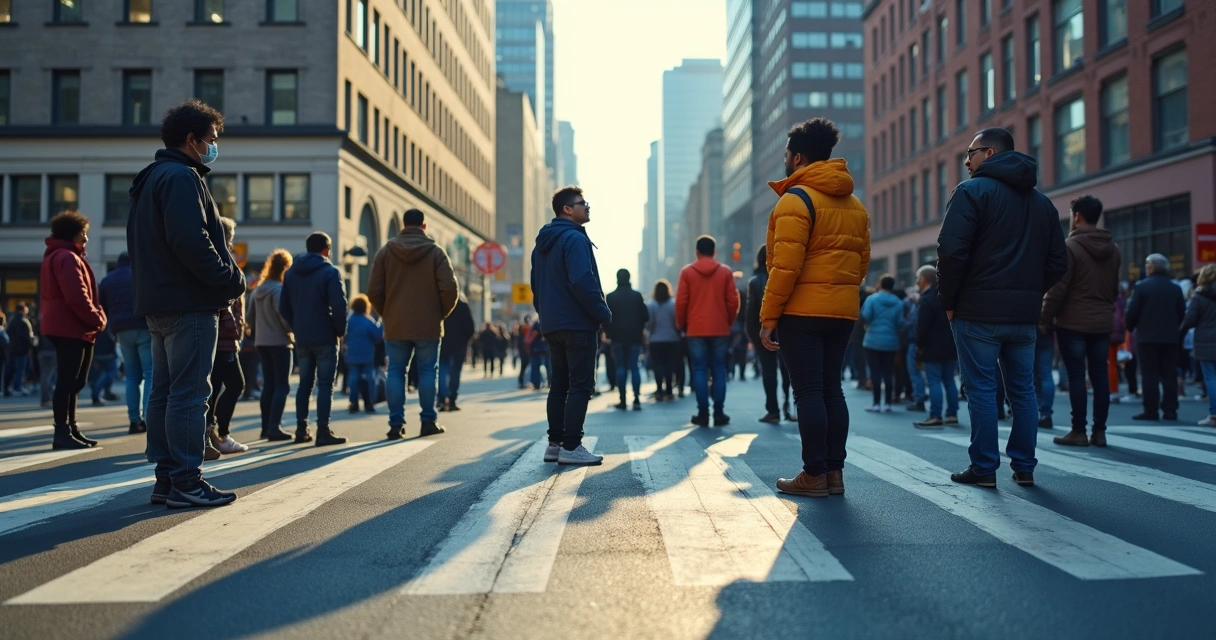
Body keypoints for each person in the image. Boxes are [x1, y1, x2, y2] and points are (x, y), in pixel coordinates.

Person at [128, 99, 246, 508]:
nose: (213, 147)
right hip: (188, 302)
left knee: (164, 393)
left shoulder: (150, 178)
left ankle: (167, 478)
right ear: (192, 139)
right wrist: (231, 279)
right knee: (190, 395)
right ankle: (186, 480)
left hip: (159, 302)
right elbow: (190, 241)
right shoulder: (181, 178)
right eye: (210, 140)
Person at [937, 127, 1068, 489]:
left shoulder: (970, 192)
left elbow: (950, 251)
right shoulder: (1042, 202)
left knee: (980, 389)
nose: (966, 160)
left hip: (976, 312)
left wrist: (948, 301)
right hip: (1024, 315)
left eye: (971, 152)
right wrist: (1029, 291)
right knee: (1023, 390)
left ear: (990, 153)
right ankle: (1024, 466)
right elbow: (1059, 261)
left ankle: (983, 468)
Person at [758, 117, 870, 498]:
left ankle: (813, 474)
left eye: (788, 154)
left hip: (802, 314)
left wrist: (769, 318)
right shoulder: (855, 204)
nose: (786, 160)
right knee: (831, 390)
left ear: (798, 157)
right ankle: (834, 474)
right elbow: (861, 263)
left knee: (807, 393)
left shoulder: (796, 199)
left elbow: (784, 268)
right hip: (842, 312)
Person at [530, 186, 611, 465]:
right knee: (580, 385)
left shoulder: (542, 243)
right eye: (582, 203)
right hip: (577, 323)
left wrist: (547, 315)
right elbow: (582, 281)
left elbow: (536, 288)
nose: (587, 207)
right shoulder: (574, 239)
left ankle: (554, 444)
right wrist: (602, 313)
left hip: (552, 324)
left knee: (559, 385)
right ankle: (572, 445)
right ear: (567, 209)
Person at [368, 208, 459, 439]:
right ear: (424, 226)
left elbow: (374, 291)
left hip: (396, 324)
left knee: (396, 372)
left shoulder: (386, 252)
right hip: (428, 324)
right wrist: (439, 313)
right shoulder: (436, 252)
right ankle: (428, 420)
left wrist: (387, 313)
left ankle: (396, 424)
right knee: (428, 371)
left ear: (402, 225)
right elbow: (450, 289)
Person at [1040, 195, 1122, 447]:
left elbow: (1057, 289)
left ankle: (1078, 431)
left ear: (1077, 216)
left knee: (1076, 376)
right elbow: (1114, 289)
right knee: (1099, 377)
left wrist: (1044, 317)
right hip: (1101, 321)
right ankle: (1100, 431)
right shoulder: (1114, 249)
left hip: (1072, 321)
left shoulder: (1070, 247)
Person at [40, 211, 108, 451]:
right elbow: (77, 296)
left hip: (68, 326)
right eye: (84, 233)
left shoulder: (59, 255)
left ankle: (69, 429)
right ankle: (63, 432)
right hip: (71, 327)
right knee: (70, 381)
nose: (87, 238)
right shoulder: (67, 257)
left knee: (73, 381)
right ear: (73, 234)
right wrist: (98, 319)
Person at [280, 232, 349, 447]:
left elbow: (284, 307)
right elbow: (339, 306)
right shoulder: (330, 272)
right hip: (325, 336)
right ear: (326, 250)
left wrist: (296, 326)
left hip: (303, 336)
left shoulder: (291, 273)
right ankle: (323, 430)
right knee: (325, 385)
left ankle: (302, 429)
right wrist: (339, 330)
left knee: (304, 385)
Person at [676, 235, 741, 427]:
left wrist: (682, 324)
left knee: (699, 370)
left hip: (695, 329)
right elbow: (733, 301)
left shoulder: (687, 272)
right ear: (714, 252)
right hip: (720, 328)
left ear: (697, 252)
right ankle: (719, 413)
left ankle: (702, 413)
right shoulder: (725, 272)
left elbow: (681, 302)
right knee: (720, 369)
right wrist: (727, 321)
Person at [204, 217, 249, 456]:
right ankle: (219, 433)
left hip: (222, 336)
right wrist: (234, 328)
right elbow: (228, 303)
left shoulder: (215, 255)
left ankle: (213, 433)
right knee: (233, 384)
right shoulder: (222, 258)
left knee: (217, 386)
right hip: (224, 338)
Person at [1125, 253, 1187, 421]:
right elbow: (1182, 313)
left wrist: (1129, 327)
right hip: (1170, 337)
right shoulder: (1175, 288)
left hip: (1147, 337)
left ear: (1150, 268)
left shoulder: (1142, 287)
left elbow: (1133, 312)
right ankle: (1170, 410)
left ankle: (1150, 409)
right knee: (1169, 374)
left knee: (1149, 374)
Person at [98, 253, 149, 434]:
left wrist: (111, 326)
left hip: (120, 329)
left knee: (132, 375)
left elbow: (101, 306)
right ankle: (150, 419)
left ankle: (134, 421)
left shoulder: (107, 280)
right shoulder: (141, 274)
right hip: (143, 326)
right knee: (150, 373)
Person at [249, 250, 294, 442]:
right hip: (280, 341)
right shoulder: (278, 290)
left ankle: (265, 427)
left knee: (268, 385)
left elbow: (249, 317)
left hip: (262, 341)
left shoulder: (258, 290)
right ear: (285, 268)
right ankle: (275, 426)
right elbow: (284, 316)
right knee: (282, 385)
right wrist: (293, 329)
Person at [745, 246, 793, 424]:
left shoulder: (755, 281)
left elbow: (750, 314)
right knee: (789, 369)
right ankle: (790, 405)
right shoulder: (788, 277)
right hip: (787, 330)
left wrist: (752, 336)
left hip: (763, 330)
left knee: (768, 370)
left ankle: (773, 411)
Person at [912, 266, 959, 428]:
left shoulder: (926, 298)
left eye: (918, 277)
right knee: (949, 380)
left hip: (931, 346)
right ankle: (952, 414)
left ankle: (935, 415)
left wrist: (919, 344)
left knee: (933, 381)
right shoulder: (947, 295)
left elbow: (921, 326)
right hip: (951, 344)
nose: (916, 281)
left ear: (924, 279)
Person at [606, 268, 650, 411]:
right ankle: (636, 398)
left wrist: (609, 333)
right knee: (634, 367)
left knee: (620, 368)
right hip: (635, 337)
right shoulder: (637, 296)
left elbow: (606, 319)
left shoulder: (611, 297)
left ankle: (623, 399)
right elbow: (646, 317)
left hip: (617, 338)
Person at [860, 275, 904, 412]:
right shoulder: (898, 302)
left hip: (872, 340)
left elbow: (865, 316)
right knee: (888, 372)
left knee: (875, 372)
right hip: (891, 341)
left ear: (880, 284)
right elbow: (900, 323)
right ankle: (888, 403)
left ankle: (876, 403)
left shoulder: (872, 299)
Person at [1183, 265, 1216, 426]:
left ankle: (1214, 414)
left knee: (1210, 376)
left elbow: (1190, 319)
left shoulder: (1199, 295)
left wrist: (1180, 330)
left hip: (1205, 340)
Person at [345, 294, 384, 414]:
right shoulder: (368, 321)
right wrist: (381, 322)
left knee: (353, 377)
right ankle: (369, 402)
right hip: (367, 354)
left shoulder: (350, 320)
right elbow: (377, 335)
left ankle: (353, 402)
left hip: (352, 354)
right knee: (369, 378)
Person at [438, 295, 474, 411]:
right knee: (455, 371)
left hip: (443, 342)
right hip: (459, 344)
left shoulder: (440, 304)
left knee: (442, 371)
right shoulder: (462, 306)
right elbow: (470, 327)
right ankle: (452, 399)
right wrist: (464, 340)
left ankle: (442, 399)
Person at [646, 279, 680, 402]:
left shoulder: (651, 304)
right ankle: (670, 390)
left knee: (658, 365)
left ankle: (659, 390)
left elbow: (649, 324)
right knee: (670, 365)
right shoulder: (673, 304)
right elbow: (677, 322)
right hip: (671, 339)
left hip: (656, 339)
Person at [5, 303, 36, 396]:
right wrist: (31, 345)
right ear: (23, 310)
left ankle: (11, 386)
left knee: (12, 369)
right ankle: (17, 387)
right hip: (22, 349)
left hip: (12, 349)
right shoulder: (24, 321)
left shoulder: (12, 320)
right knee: (20, 369)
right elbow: (27, 336)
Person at [89, 330, 119, 406]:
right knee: (109, 374)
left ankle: (101, 393)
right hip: (107, 352)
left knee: (100, 375)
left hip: (97, 351)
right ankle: (97, 393)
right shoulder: (107, 323)